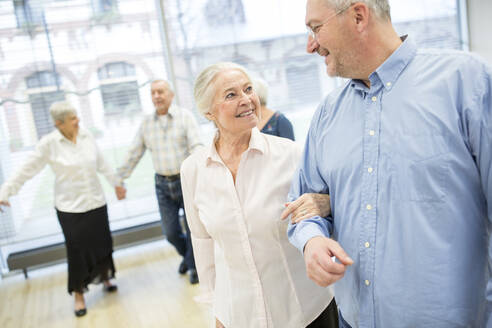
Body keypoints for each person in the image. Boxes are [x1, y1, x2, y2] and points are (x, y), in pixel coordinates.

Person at [285, 0, 492, 327]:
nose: (311, 45)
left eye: (315, 28)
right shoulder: (328, 113)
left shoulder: (467, 82)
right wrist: (311, 240)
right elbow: (301, 204)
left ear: (358, 15)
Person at [181, 62, 337, 328]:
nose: (247, 100)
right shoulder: (192, 170)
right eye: (231, 95)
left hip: (306, 311)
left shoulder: (291, 155)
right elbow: (203, 241)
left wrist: (326, 203)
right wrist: (219, 312)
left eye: (248, 89)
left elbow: (332, 208)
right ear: (208, 111)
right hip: (241, 316)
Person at [0, 101, 126, 317]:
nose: (78, 121)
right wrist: (5, 192)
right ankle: (79, 294)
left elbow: (102, 163)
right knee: (77, 251)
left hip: (95, 202)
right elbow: (26, 170)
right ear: (59, 123)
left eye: (77, 116)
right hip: (70, 208)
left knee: (102, 243)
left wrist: (117, 183)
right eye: (72, 118)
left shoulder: (86, 136)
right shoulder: (49, 144)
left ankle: (105, 277)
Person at [117, 79, 202, 284]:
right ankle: (188, 258)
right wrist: (120, 178)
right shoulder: (147, 123)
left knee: (193, 228)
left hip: (186, 180)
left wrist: (202, 171)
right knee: (170, 232)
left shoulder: (185, 117)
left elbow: (197, 146)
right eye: (153, 93)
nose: (156, 96)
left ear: (171, 95)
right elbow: (134, 152)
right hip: (162, 184)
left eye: (161, 92)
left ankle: (193, 266)